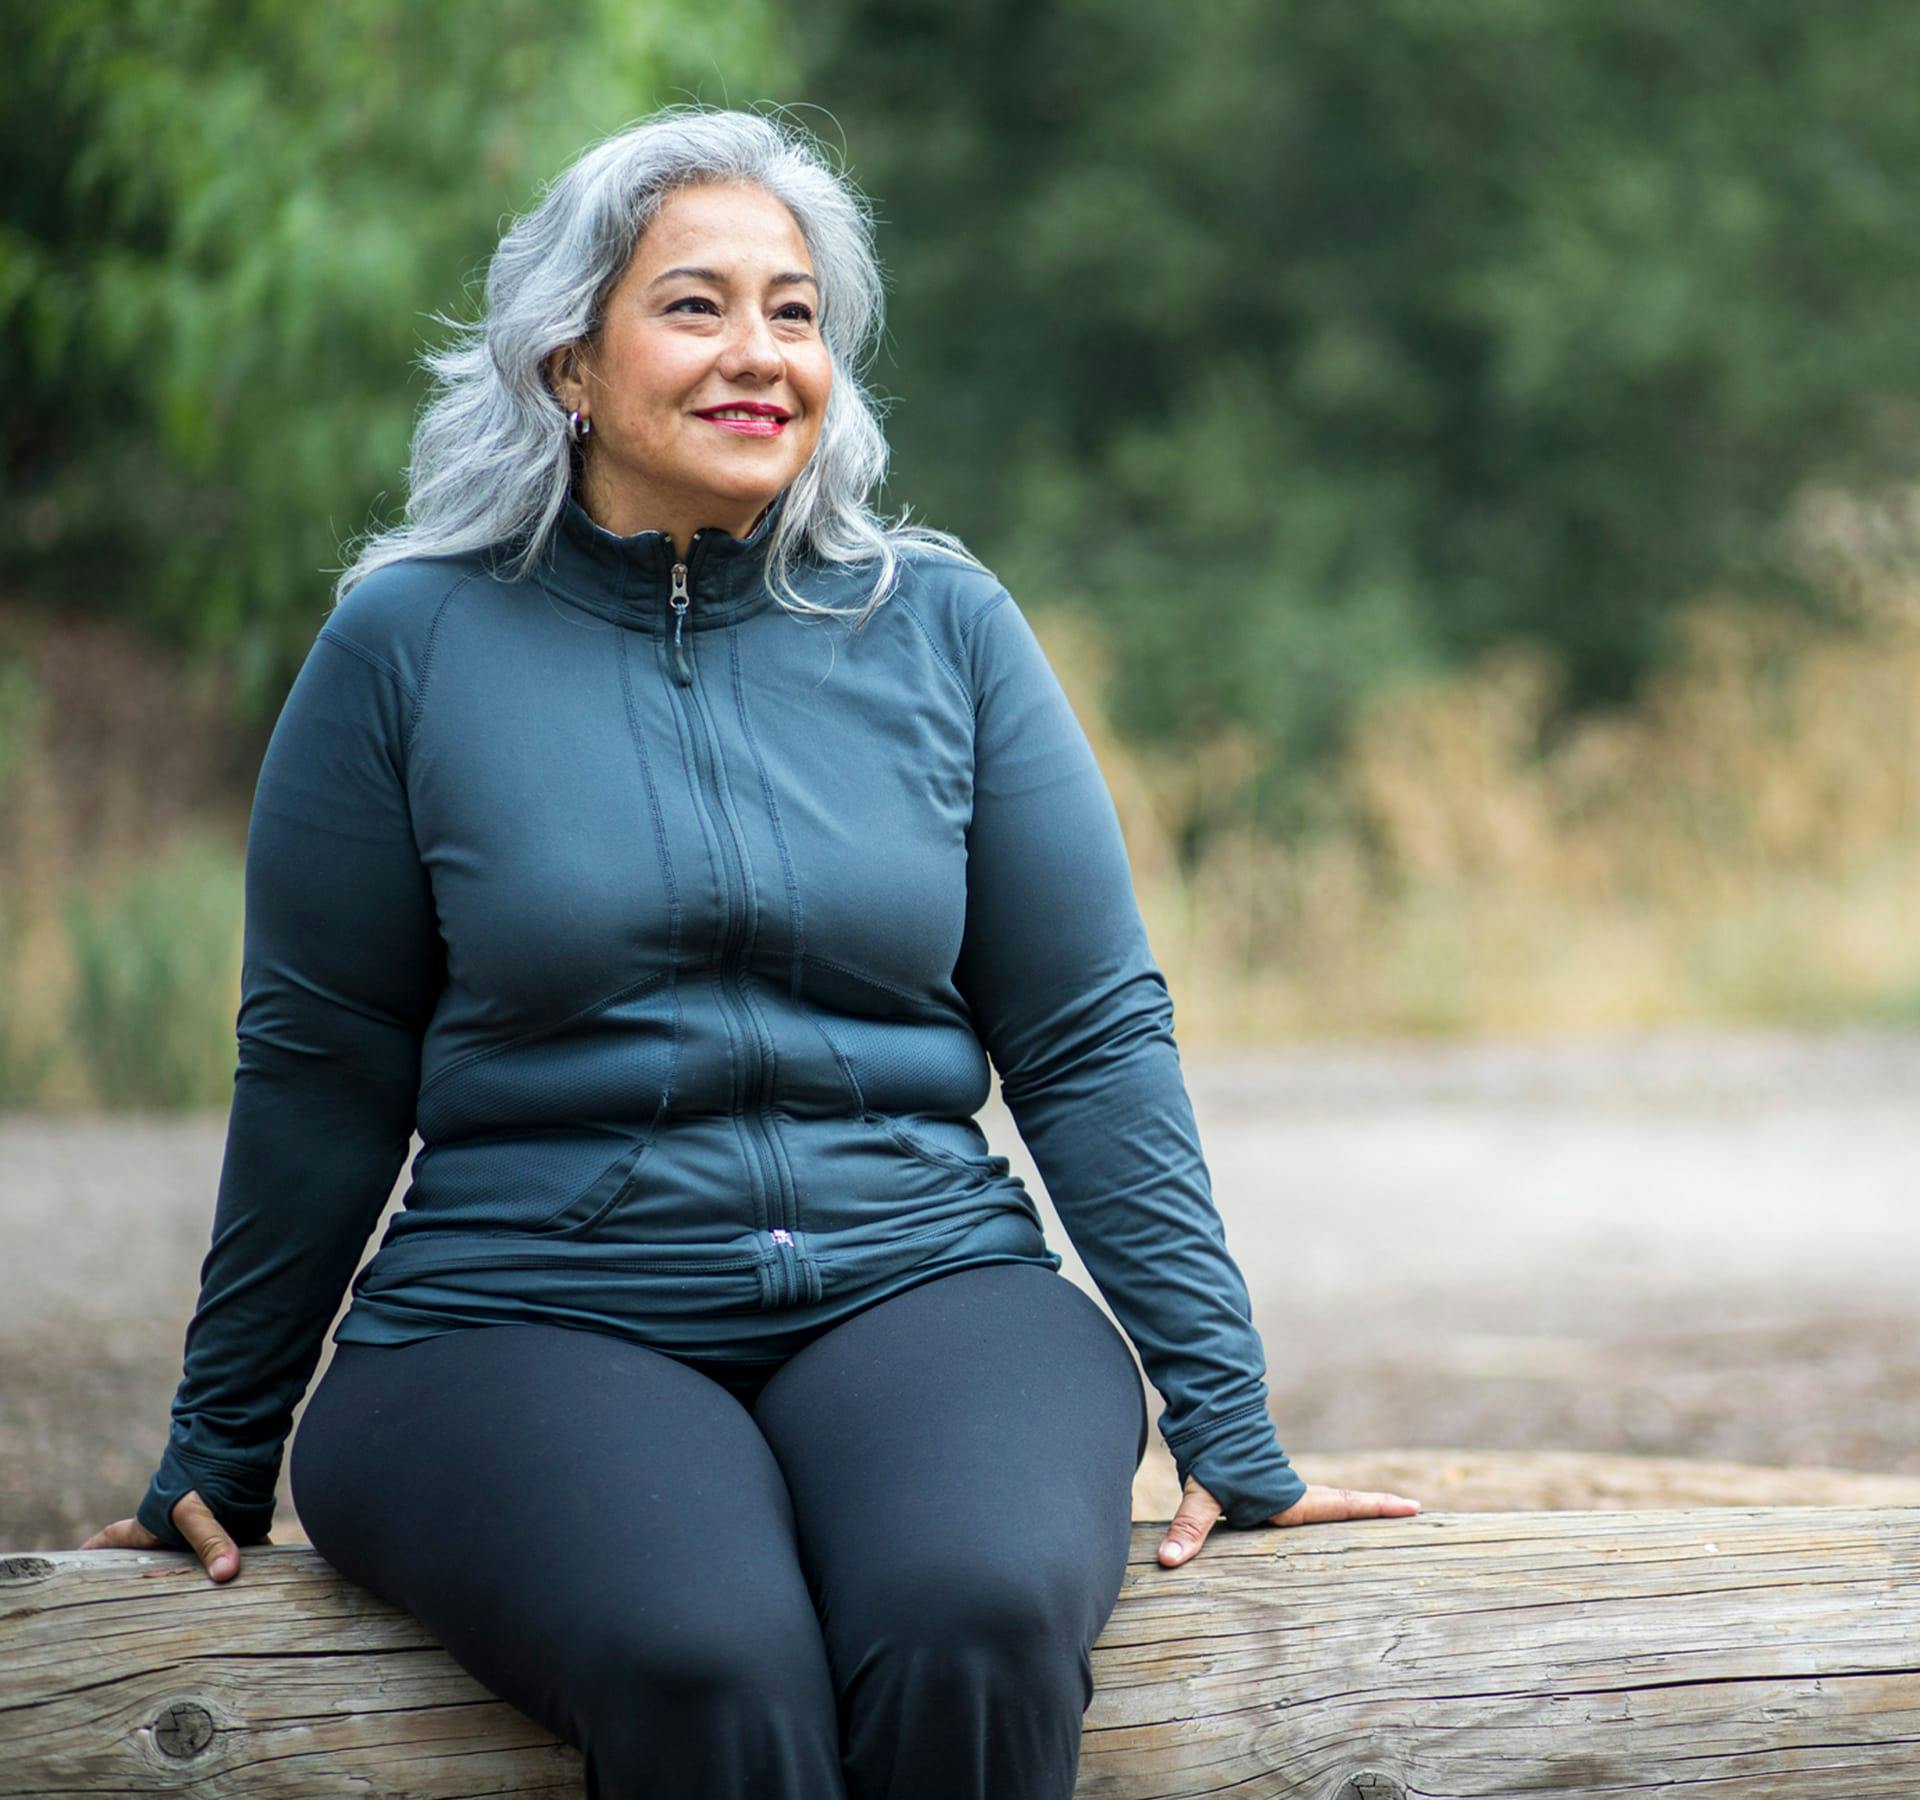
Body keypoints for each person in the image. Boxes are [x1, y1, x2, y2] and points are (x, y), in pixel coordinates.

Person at [82, 104, 1420, 1798]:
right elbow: (324, 1065)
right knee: (707, 1658)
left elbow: (1088, 1040)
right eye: (696, 305)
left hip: (922, 1279)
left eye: (795, 313)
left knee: (976, 1614)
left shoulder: (940, 625)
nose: (760, 355)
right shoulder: (406, 644)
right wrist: (222, 1435)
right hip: (524, 1315)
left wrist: (1229, 1419)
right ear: (568, 360)